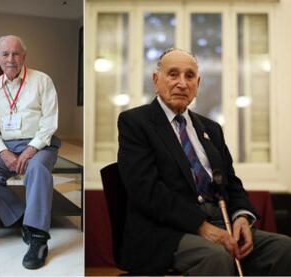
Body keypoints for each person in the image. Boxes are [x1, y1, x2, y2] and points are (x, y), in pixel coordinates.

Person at [117, 48, 291, 275]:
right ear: (156, 80)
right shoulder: (136, 122)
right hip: (166, 231)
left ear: (197, 84)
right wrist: (201, 226)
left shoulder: (211, 129)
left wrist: (241, 216)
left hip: (221, 223)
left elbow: (231, 182)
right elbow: (146, 190)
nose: (182, 83)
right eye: (173, 74)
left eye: (189, 76)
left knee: (284, 248)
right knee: (216, 257)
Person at [0, 35, 59, 270]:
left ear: (24, 56)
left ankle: (38, 237)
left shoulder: (42, 80)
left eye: (16, 54)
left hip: (40, 143)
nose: (11, 59)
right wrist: (3, 152)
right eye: (5, 54)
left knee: (37, 168)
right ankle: (23, 218)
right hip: (6, 145)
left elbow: (50, 121)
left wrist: (32, 148)